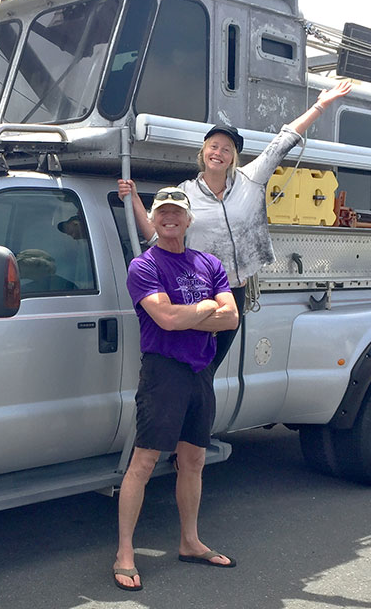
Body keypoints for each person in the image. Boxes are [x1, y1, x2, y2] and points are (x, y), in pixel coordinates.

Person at [118, 80, 353, 369]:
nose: (218, 152)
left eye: (226, 149)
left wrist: (321, 105)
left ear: (233, 158)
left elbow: (284, 140)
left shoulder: (251, 179)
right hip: (195, 290)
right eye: (213, 146)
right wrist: (133, 200)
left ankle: (199, 410)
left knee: (209, 368)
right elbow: (157, 234)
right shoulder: (186, 192)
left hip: (234, 291)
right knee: (193, 364)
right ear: (204, 152)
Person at [114, 187, 239, 592]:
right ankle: (125, 553)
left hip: (200, 370)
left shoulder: (209, 263)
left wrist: (189, 316)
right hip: (163, 371)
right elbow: (166, 319)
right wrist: (204, 308)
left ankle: (190, 541)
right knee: (144, 462)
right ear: (153, 219)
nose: (170, 218)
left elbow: (232, 317)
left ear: (188, 220)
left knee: (194, 460)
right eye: (162, 212)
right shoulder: (144, 265)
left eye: (177, 212)